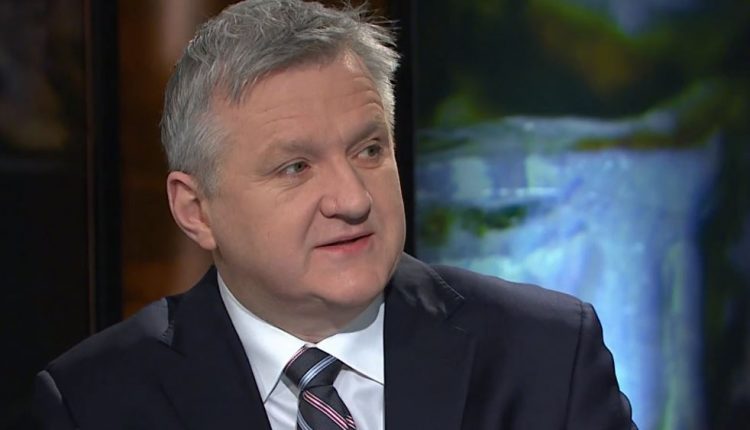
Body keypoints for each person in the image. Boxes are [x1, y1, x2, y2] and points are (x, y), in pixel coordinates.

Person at [33, 0, 636, 428]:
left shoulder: (546, 355)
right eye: (295, 167)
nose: (352, 200)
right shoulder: (95, 402)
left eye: (369, 150)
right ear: (196, 211)